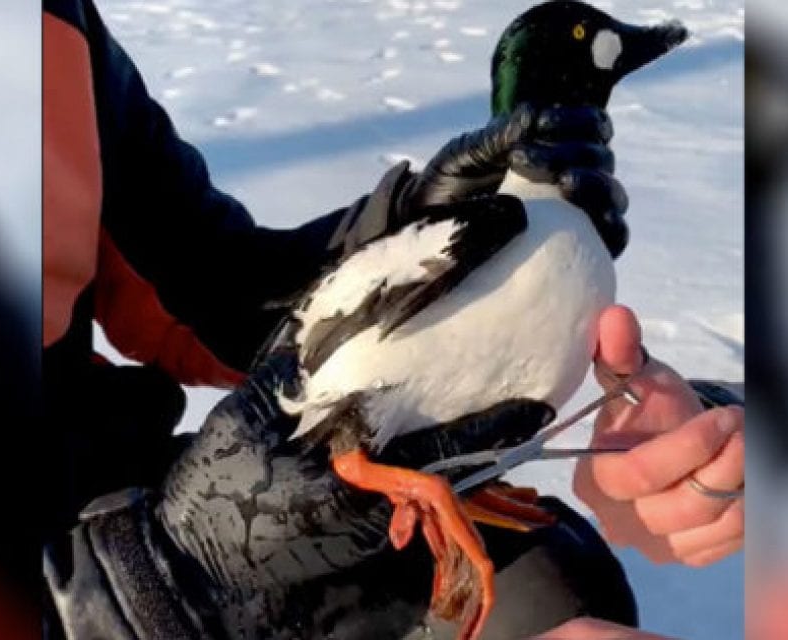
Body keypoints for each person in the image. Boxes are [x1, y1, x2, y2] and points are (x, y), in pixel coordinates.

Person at [41, 0, 745, 638]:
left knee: (542, 582)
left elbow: (219, 295)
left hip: (119, 479)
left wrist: (412, 232)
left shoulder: (58, 25)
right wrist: (160, 578)